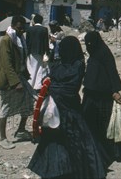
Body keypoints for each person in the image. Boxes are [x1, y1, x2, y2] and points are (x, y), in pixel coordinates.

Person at [28, 36, 106, 179]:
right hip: (69, 110)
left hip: (59, 109)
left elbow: (53, 84)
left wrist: (53, 90)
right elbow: (71, 87)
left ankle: (57, 170)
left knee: (56, 141)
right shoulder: (78, 64)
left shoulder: (58, 65)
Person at [82, 30, 121, 168]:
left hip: (104, 94)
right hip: (91, 93)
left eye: (90, 43)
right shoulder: (93, 52)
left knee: (108, 123)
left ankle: (116, 152)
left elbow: (111, 71)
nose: (88, 46)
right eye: (87, 44)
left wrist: (115, 90)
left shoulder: (104, 52)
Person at [0, 15, 33, 149]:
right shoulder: (6, 40)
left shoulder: (20, 38)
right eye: (19, 27)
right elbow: (7, 63)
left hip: (20, 76)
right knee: (5, 107)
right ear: (13, 25)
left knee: (29, 101)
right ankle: (2, 138)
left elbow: (21, 58)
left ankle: (21, 130)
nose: (22, 29)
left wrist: (25, 73)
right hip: (9, 79)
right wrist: (15, 82)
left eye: (23, 27)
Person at [25, 14, 50, 92]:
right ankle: (37, 85)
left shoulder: (29, 29)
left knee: (31, 68)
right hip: (40, 51)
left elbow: (27, 41)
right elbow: (46, 42)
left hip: (31, 52)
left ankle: (30, 84)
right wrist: (47, 52)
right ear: (42, 21)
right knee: (39, 68)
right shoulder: (44, 29)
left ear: (34, 20)